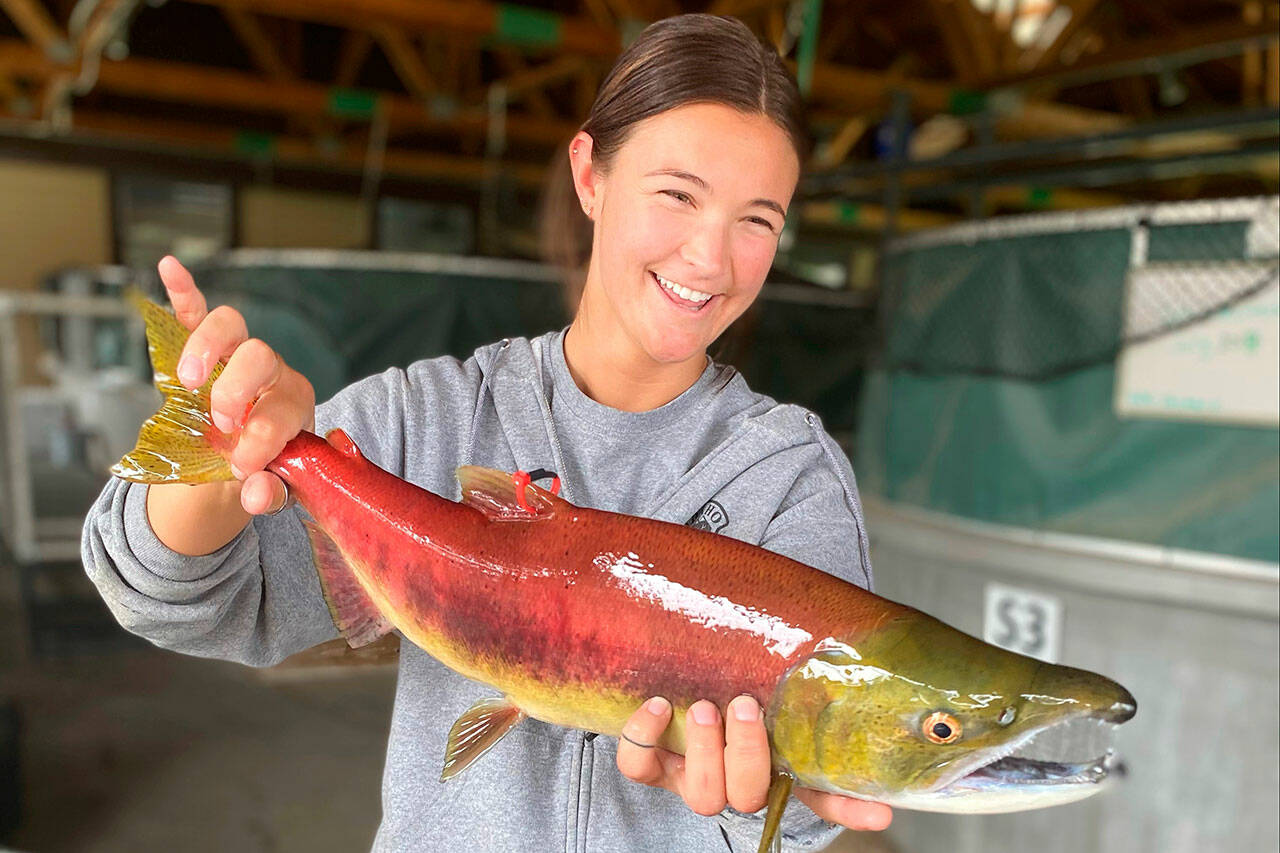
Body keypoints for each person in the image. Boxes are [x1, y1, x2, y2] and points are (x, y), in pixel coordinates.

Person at [82, 13, 893, 852]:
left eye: (758, 219)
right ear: (590, 176)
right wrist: (225, 455)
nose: (710, 258)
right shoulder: (422, 419)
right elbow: (175, 600)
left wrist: (768, 796)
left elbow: (811, 798)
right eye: (678, 194)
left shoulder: (790, 475)